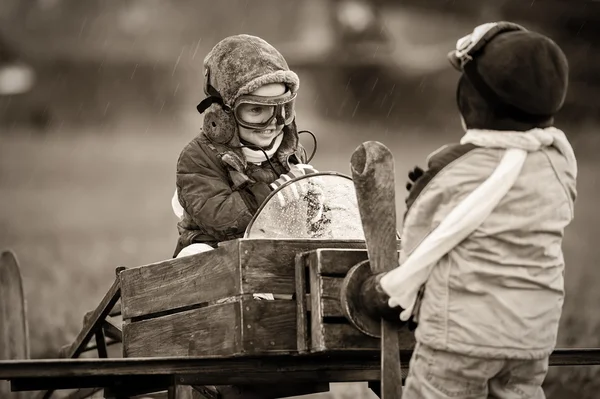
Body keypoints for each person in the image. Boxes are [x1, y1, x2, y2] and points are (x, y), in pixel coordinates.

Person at [374, 22, 577, 398]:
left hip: (461, 335)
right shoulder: (558, 162)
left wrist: (421, 190)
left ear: (471, 100)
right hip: (532, 335)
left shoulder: (454, 165)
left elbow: (421, 239)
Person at [172, 34, 318, 259]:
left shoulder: (292, 153)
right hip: (218, 252)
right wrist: (275, 194)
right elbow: (220, 219)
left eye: (281, 109)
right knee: (196, 254)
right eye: (256, 110)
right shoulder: (198, 156)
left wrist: (316, 202)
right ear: (222, 113)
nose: (272, 123)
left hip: (276, 252)